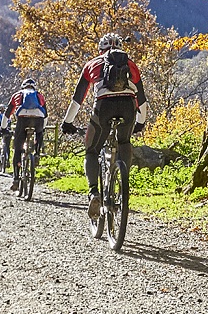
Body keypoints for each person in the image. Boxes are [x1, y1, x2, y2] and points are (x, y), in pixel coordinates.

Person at [62, 33, 149, 217]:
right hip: (127, 106)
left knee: (92, 150)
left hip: (104, 107)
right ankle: (123, 183)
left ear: (101, 50)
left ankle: (94, 192)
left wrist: (67, 122)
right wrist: (140, 123)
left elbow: (77, 100)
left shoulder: (92, 64)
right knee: (124, 142)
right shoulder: (130, 64)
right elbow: (142, 101)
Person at [4, 79, 49, 173]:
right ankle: (37, 153)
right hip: (38, 119)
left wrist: (3, 128)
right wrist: (42, 128)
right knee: (40, 133)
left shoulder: (17, 95)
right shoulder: (39, 95)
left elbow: (7, 114)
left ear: (23, 86)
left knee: (18, 149)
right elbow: (45, 115)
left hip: (23, 119)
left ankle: (16, 178)